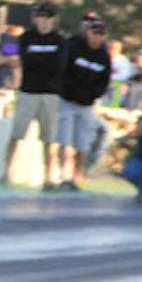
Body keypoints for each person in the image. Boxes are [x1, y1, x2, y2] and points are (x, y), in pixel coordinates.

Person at [3, 1, 66, 186]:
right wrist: (40, 62)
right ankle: (6, 172)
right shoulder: (26, 38)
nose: (44, 21)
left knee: (49, 138)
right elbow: (25, 61)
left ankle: (49, 175)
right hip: (28, 91)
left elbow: (59, 66)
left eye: (48, 17)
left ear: (54, 20)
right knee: (16, 134)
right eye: (41, 17)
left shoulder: (60, 40)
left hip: (50, 94)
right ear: (35, 18)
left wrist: (37, 62)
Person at [54, 12, 111, 191]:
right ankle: (63, 175)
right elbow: (63, 72)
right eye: (94, 32)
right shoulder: (73, 47)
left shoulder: (104, 57)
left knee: (82, 142)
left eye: (101, 33)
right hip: (67, 100)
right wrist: (70, 91)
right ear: (88, 32)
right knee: (64, 140)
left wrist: (89, 96)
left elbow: (103, 83)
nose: (96, 37)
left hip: (86, 104)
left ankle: (76, 175)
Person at [0, 21, 26, 91]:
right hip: (1, 83)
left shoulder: (27, 38)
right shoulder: (2, 37)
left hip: (19, 84)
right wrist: (12, 59)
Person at [102, 39, 131, 107]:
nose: (111, 50)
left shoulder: (123, 61)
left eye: (113, 48)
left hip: (116, 83)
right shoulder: (102, 57)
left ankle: (113, 107)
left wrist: (108, 75)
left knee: (119, 87)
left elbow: (123, 75)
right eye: (109, 48)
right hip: (101, 82)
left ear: (119, 50)